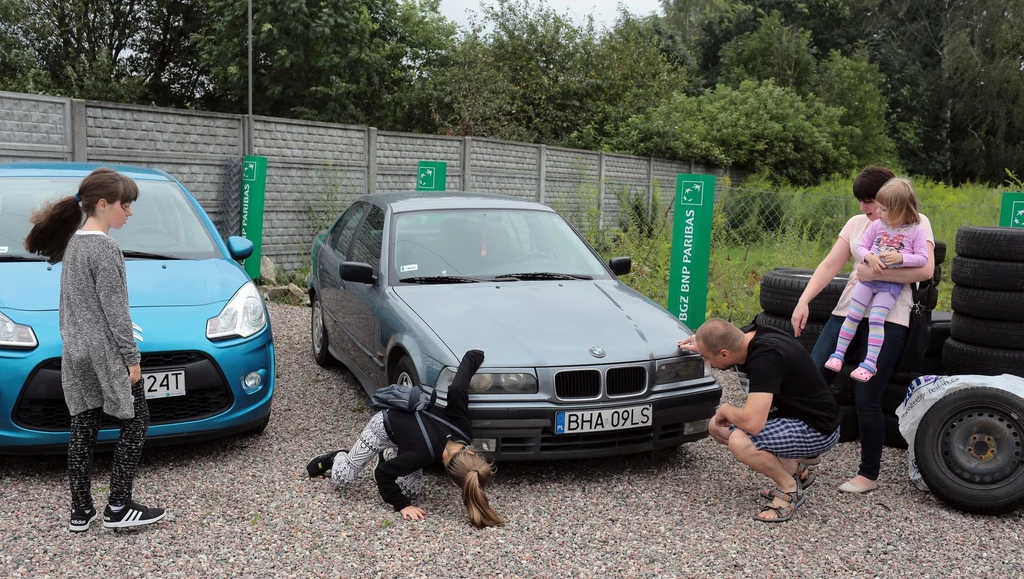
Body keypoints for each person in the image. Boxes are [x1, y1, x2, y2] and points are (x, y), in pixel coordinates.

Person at [24, 167, 166, 531]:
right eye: (125, 205)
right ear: (103, 205)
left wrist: (76, 343)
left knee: (83, 427)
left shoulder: (73, 244)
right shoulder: (106, 249)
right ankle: (119, 507)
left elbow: (69, 305)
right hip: (106, 354)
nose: (129, 212)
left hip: (76, 352)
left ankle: (81, 511)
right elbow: (116, 313)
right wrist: (131, 358)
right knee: (136, 422)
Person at [792, 167, 935, 494]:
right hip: (849, 311)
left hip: (889, 317)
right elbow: (830, 264)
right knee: (812, 378)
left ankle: (868, 474)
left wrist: (872, 276)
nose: (864, 208)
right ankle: (801, 455)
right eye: (862, 201)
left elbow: (924, 269)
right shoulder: (858, 224)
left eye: (870, 201)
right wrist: (803, 301)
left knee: (867, 394)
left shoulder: (917, 222)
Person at [306, 350, 505, 529]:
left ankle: (389, 455)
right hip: (382, 427)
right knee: (343, 478)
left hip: (408, 442)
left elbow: (457, 390)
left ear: (471, 453)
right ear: (453, 483)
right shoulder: (424, 453)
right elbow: (384, 475)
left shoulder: (463, 431)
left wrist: (472, 356)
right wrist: (402, 506)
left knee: (410, 491)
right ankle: (338, 457)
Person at [679, 318, 840, 523]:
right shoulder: (748, 336)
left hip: (818, 428)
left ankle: (788, 490)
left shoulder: (765, 359)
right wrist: (702, 340)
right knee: (716, 427)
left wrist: (728, 409)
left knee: (740, 439)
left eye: (706, 357)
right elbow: (723, 333)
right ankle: (797, 473)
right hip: (795, 415)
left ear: (724, 354)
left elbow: (754, 423)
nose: (707, 361)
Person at [824, 178, 928, 382]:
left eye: (884, 209)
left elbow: (923, 259)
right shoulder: (877, 226)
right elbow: (862, 247)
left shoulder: (916, 230)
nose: (878, 213)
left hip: (890, 286)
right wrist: (869, 257)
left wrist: (901, 258)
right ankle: (838, 355)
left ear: (898, 210)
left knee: (876, 320)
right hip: (866, 282)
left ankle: (869, 363)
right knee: (852, 315)